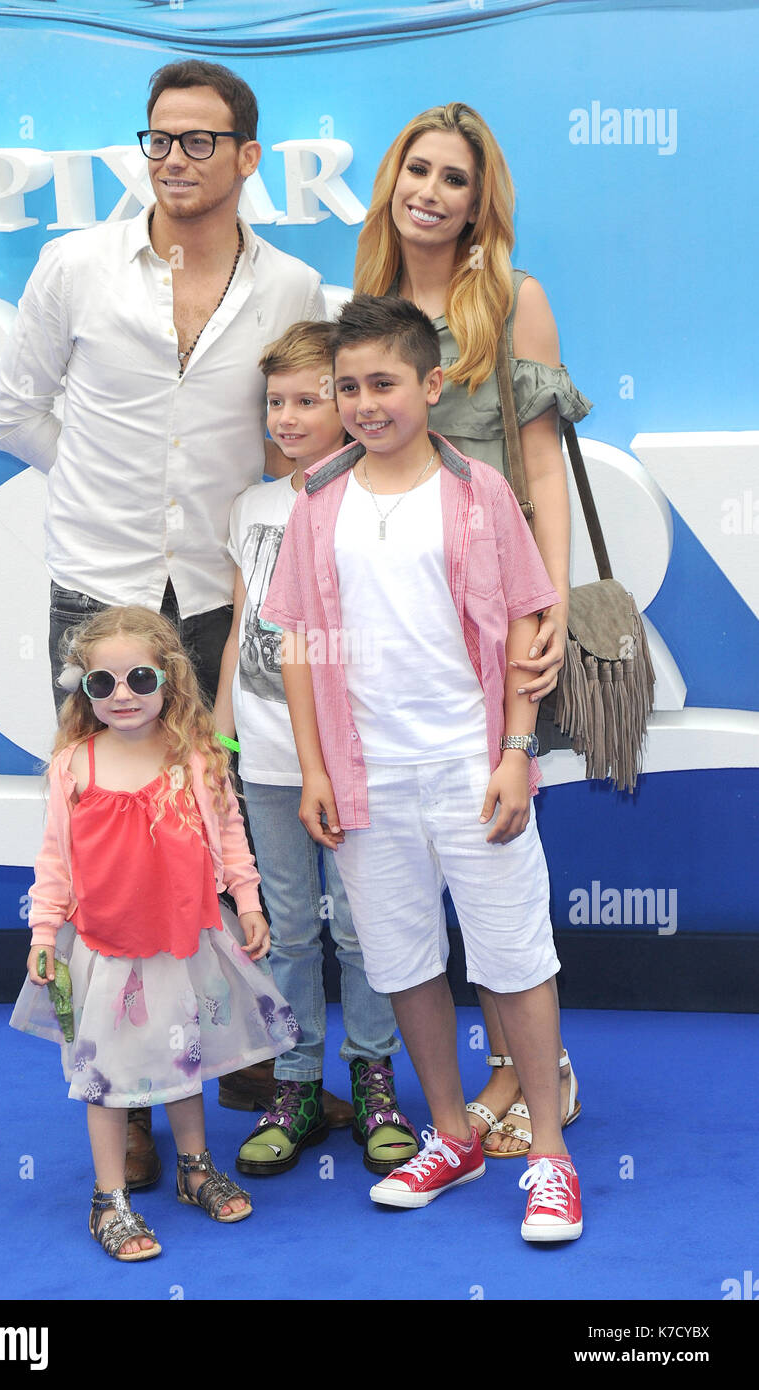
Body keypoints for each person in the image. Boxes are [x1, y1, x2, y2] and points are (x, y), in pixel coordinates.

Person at [0, 58, 325, 1180]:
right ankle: (118, 1094)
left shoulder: (290, 288)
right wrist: (93, 489)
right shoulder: (73, 265)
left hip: (224, 596)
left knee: (211, 831)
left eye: (198, 141)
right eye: (158, 140)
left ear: (247, 156)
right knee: (102, 847)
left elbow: (301, 427)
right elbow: (17, 408)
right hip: (99, 595)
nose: (175, 160)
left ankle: (217, 1047)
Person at [260, 295, 583, 1240]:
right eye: (348, 387)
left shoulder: (478, 491)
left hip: (471, 768)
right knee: (402, 962)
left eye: (383, 383)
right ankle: (450, 1134)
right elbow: (299, 645)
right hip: (366, 781)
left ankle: (551, 1156)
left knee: (514, 959)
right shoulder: (315, 499)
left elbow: (528, 621)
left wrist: (517, 751)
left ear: (431, 385)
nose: (365, 403)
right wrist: (316, 771)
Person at [354, 102, 589, 1156]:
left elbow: (540, 464)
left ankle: (535, 1072)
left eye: (454, 177)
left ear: (477, 198)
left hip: (494, 604)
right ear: (391, 180)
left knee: (494, 843)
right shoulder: (360, 302)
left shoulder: (514, 298)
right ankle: (502, 1074)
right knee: (429, 848)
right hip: (400, 610)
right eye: (418, 169)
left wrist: (549, 602)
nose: (431, 192)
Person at [10, 606, 301, 1260]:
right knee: (106, 1075)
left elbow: (229, 837)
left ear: (169, 677)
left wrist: (248, 902)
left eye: (140, 678)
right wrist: (42, 932)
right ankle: (108, 1197)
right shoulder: (74, 768)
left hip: (183, 945)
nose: (123, 696)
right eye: (102, 683)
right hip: (105, 954)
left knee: (183, 1059)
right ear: (82, 689)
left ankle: (194, 1165)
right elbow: (54, 861)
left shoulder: (195, 758)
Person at [213, 321, 417, 1177]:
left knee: (367, 927)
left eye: (309, 399)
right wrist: (220, 740)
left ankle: (373, 1080)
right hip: (262, 757)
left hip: (351, 756)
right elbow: (236, 632)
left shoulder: (363, 504)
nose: (289, 418)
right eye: (276, 403)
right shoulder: (252, 507)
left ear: (344, 404)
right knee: (289, 930)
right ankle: (294, 1083)